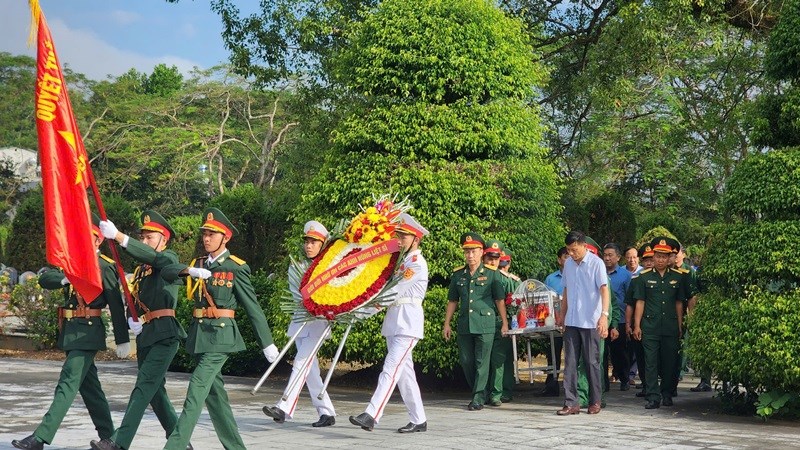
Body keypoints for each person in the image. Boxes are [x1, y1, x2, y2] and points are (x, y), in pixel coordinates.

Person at [161, 208, 279, 450]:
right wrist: (189, 271)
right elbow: (166, 271)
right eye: (204, 234)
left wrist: (267, 343)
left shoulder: (236, 268)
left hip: (221, 337)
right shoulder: (199, 264)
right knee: (215, 398)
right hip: (200, 338)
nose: (206, 238)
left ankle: (174, 446)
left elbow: (252, 307)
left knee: (196, 390)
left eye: (212, 234)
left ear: (225, 238)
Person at [12, 215, 129, 450]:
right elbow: (46, 278)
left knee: (67, 383)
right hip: (71, 331)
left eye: (93, 237)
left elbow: (116, 305)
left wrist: (122, 339)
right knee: (90, 389)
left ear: (99, 241)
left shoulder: (104, 266)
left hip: (88, 332)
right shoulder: (71, 262)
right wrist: (66, 278)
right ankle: (110, 437)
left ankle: (41, 437)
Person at [91, 211, 189, 450]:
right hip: (146, 334)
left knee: (143, 386)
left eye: (150, 238)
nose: (144, 242)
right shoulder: (141, 271)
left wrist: (120, 238)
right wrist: (130, 320)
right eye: (141, 238)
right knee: (155, 393)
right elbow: (133, 300)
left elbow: (157, 260)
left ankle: (119, 442)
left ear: (163, 240)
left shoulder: (168, 258)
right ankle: (180, 441)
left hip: (165, 334)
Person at [349, 213, 429, 433]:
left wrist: (362, 311)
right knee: (405, 375)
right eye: (400, 235)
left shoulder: (417, 264)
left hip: (407, 324)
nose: (400, 239)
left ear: (416, 239)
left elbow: (393, 292)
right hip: (396, 323)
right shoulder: (403, 261)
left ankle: (372, 414)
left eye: (405, 236)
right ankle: (419, 419)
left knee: (390, 369)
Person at [263, 221, 336, 427]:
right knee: (310, 370)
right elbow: (297, 294)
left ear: (323, 245)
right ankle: (326, 412)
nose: (309, 246)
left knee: (301, 362)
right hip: (300, 320)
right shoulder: (297, 266)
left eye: (314, 242)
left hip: (318, 323)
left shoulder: (329, 267)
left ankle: (284, 406)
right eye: (307, 241)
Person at [443, 232, 508, 411]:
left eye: (473, 252)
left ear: (481, 252)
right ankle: (481, 391)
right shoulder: (458, 275)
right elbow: (453, 301)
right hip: (465, 324)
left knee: (482, 361)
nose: (470, 256)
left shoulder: (491, 274)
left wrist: (504, 322)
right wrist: (447, 323)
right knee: (466, 361)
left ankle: (478, 397)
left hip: (485, 324)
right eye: (467, 252)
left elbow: (499, 300)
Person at [555, 231, 609, 416]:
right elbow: (566, 290)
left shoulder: (597, 263)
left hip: (590, 321)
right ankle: (571, 403)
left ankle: (595, 401)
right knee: (569, 362)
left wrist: (604, 316)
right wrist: (562, 315)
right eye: (569, 250)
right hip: (572, 321)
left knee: (592, 362)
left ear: (584, 246)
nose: (571, 254)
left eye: (574, 250)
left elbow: (604, 290)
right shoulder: (569, 264)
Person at [633, 238, 687, 409]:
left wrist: (680, 325)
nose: (661, 260)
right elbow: (640, 302)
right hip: (650, 326)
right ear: (653, 257)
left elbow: (679, 303)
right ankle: (653, 396)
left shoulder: (678, 277)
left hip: (670, 327)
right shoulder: (643, 277)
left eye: (664, 256)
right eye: (658, 256)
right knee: (650, 362)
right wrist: (636, 325)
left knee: (669, 362)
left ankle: (667, 393)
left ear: (669, 257)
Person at [625, 244, 654, 398]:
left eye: (651, 259)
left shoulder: (665, 277)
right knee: (641, 357)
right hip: (640, 325)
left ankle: (658, 387)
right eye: (646, 260)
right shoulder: (636, 279)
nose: (649, 263)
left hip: (657, 325)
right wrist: (628, 325)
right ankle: (646, 385)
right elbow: (630, 303)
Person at [602, 243, 632, 391]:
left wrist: (628, 322)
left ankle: (625, 379)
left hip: (619, 319)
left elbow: (629, 300)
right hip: (602, 320)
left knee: (619, 353)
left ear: (618, 257)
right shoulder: (599, 272)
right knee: (602, 353)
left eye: (610, 255)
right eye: (605, 255)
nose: (607, 258)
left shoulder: (626, 276)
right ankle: (603, 383)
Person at [482, 239, 508, 406]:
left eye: (496, 259)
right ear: (484, 258)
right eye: (490, 258)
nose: (493, 262)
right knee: (481, 360)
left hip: (499, 322)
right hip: (483, 322)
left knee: (498, 360)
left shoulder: (505, 278)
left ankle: (496, 394)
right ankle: (481, 392)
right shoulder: (478, 275)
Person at [541, 247, 568, 396]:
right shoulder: (551, 279)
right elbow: (545, 300)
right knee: (553, 353)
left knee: (573, 354)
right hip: (555, 322)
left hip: (572, 322)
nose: (568, 259)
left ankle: (574, 386)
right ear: (559, 260)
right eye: (565, 256)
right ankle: (552, 385)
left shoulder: (577, 275)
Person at [497, 248, 520, 402]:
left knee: (504, 358)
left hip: (507, 322)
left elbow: (516, 303)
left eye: (504, 264)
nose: (502, 268)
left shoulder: (513, 280)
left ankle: (504, 390)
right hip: (491, 320)